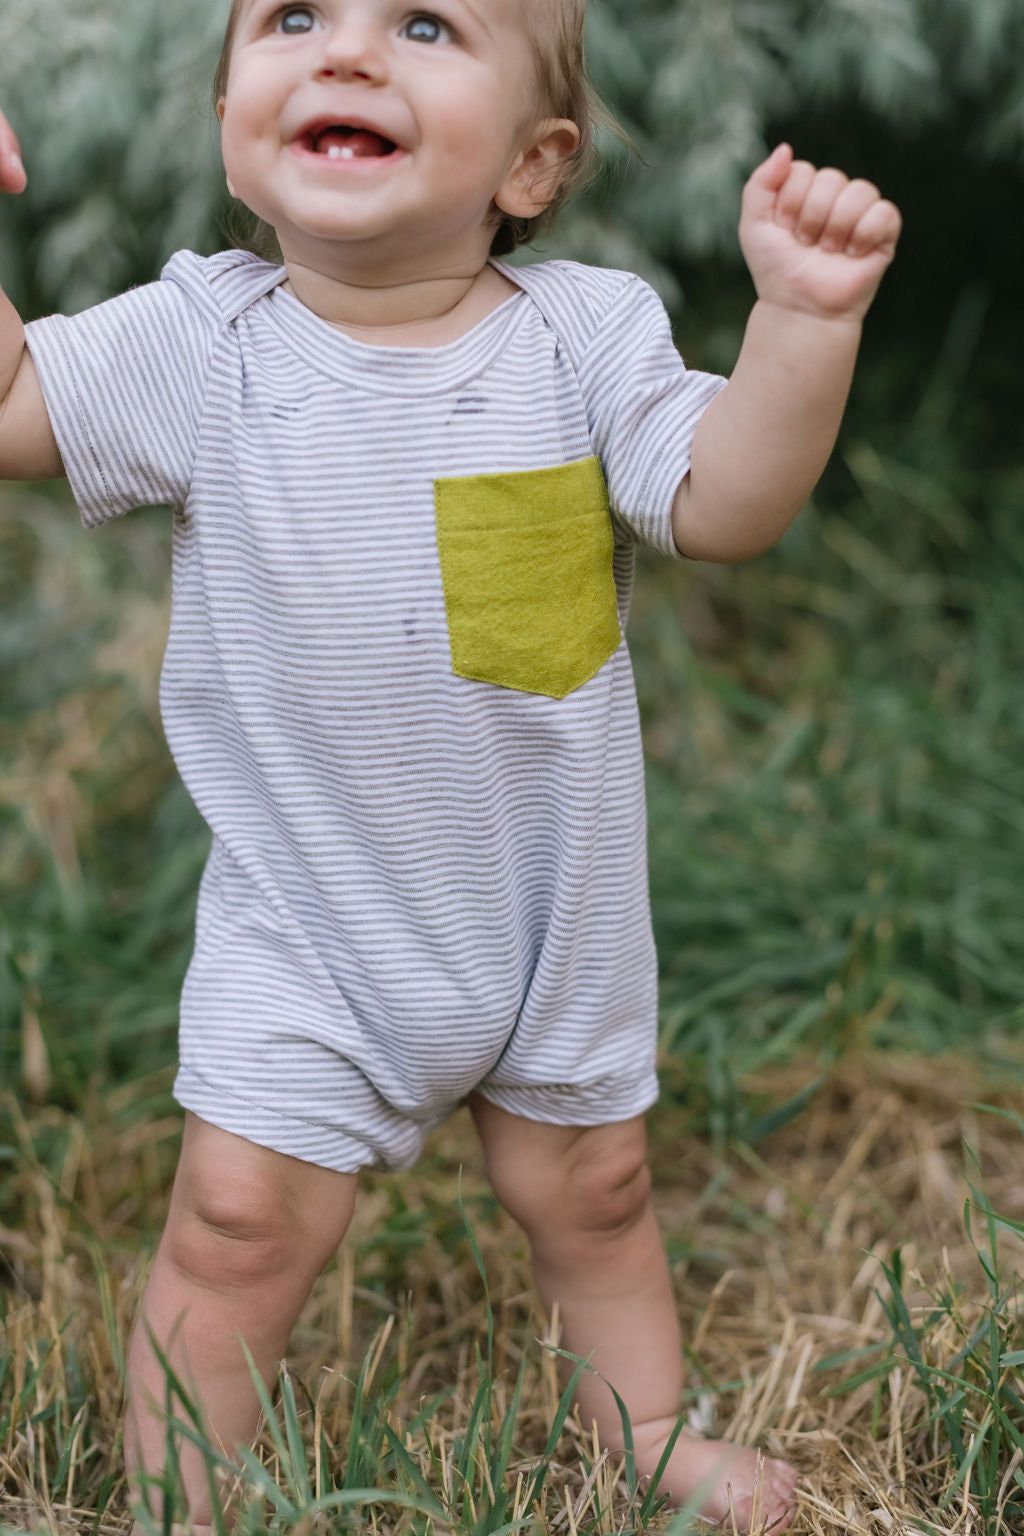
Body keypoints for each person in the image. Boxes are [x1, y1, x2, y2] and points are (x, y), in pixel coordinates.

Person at [0, 0, 901, 1530]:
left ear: (535, 166)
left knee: (596, 1195)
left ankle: (644, 1435)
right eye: (293, 16)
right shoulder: (200, 344)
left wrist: (804, 324)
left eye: (424, 24)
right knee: (233, 1219)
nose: (345, 52)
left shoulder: (584, 334)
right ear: (231, 119)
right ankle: (181, 1497)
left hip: (547, 913)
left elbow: (726, 501)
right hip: (307, 918)